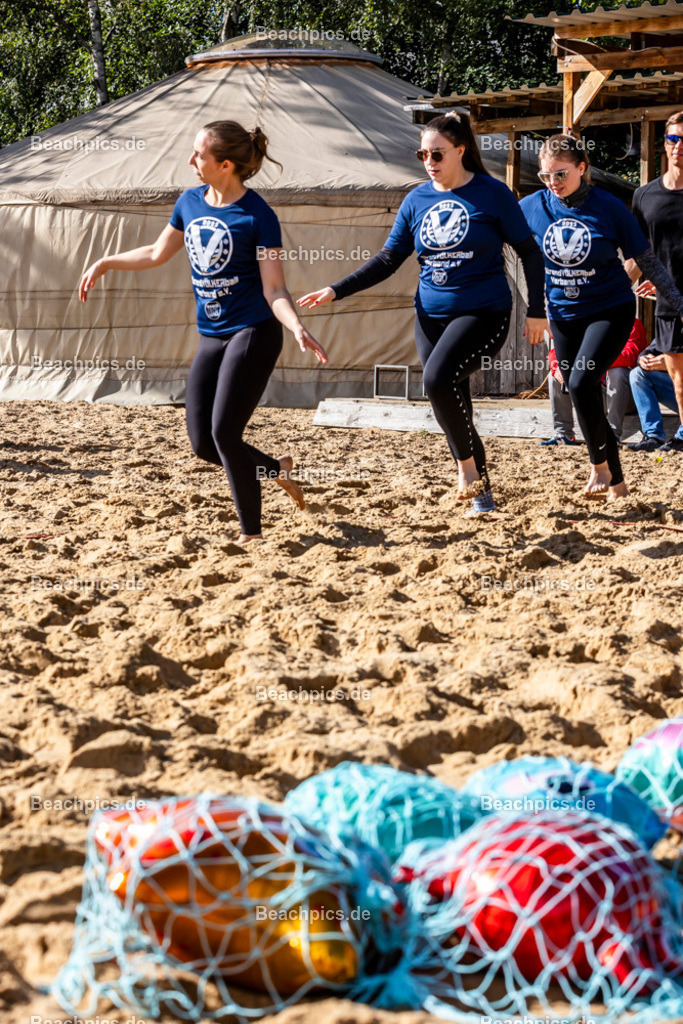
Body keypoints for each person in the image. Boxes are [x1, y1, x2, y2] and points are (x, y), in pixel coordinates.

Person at [79, 121, 328, 543]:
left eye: (199, 155)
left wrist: (296, 325)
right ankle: (277, 468)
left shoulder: (258, 216)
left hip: (254, 331)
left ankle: (251, 534)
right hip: (211, 334)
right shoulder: (190, 202)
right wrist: (106, 262)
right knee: (202, 443)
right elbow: (158, 252)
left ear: (225, 164)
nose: (191, 160)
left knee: (225, 433)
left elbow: (274, 288)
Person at [298, 112, 547, 515]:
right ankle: (482, 494)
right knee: (454, 400)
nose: (429, 160)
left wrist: (537, 311)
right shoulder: (416, 200)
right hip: (429, 316)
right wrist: (336, 290)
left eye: (437, 153)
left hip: (484, 313)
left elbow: (531, 253)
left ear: (460, 151)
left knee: (435, 381)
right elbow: (388, 258)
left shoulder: (491, 193)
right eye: (422, 154)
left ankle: (466, 471)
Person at [520, 133, 683, 499]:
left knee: (579, 383)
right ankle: (618, 483)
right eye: (546, 176)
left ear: (582, 168)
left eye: (560, 174)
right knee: (581, 391)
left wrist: (679, 302)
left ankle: (599, 470)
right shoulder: (532, 206)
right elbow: (500, 236)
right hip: (563, 315)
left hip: (609, 310)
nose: (553, 183)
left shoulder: (608, 207)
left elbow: (647, 260)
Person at [628, 111, 683, 453]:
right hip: (668, 300)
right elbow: (638, 253)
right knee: (679, 380)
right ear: (664, 145)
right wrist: (614, 285)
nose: (679, 146)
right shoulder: (644, 196)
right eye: (673, 139)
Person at [540, 317, 646, 446]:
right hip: (593, 395)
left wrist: (597, 360)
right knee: (557, 374)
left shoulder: (631, 323)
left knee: (617, 372)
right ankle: (564, 434)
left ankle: (612, 436)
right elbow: (558, 350)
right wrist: (559, 366)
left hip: (625, 397)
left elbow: (633, 354)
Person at [628, 342, 683, 451]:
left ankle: (681, 439)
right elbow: (653, 348)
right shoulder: (672, 326)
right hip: (675, 391)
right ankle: (654, 438)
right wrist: (644, 358)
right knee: (637, 374)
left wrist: (672, 362)